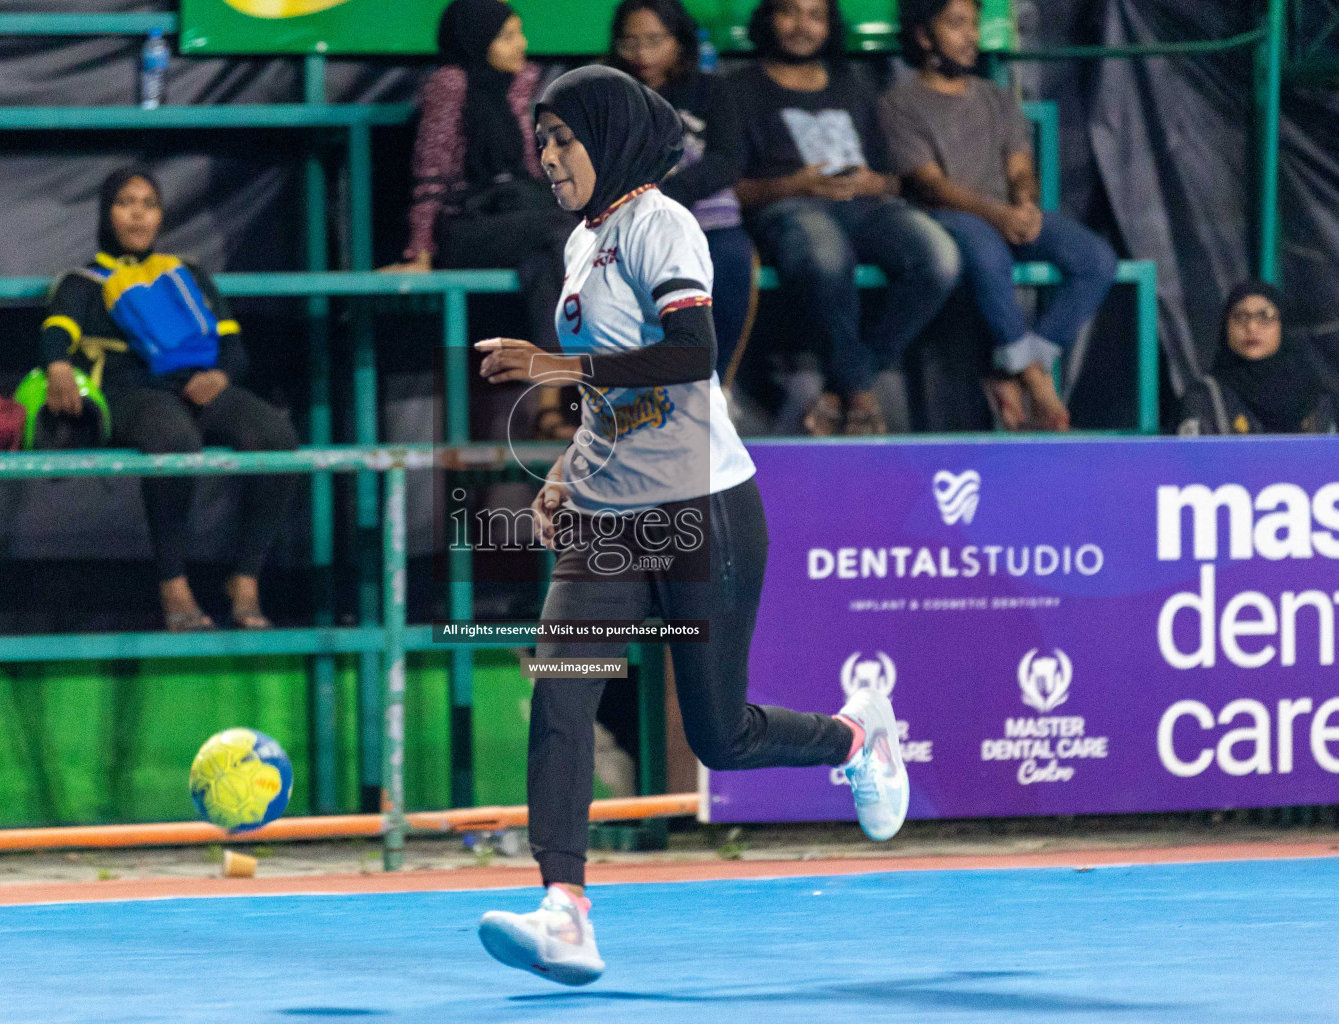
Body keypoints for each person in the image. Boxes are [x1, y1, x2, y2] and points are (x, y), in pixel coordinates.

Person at [469, 65, 909, 986]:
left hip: (703, 508)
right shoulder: (581, 246)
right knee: (562, 696)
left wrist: (550, 365)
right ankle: (566, 910)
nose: (546, 157)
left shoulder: (660, 224)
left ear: (614, 136)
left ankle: (856, 737)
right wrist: (569, 472)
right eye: (540, 141)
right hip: (608, 515)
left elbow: (690, 354)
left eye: (563, 140)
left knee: (721, 736)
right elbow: (617, 397)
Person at [41, 167, 298, 632]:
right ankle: (172, 584)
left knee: (275, 436)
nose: (138, 215)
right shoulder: (84, 282)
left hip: (198, 386)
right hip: (130, 392)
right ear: (106, 213)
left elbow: (235, 350)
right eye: (125, 203)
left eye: (149, 204)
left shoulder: (187, 276)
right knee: (175, 440)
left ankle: (245, 579)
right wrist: (58, 367)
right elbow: (55, 338)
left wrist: (220, 377)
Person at [879, 0, 1118, 432]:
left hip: (1004, 211)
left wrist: (1024, 204)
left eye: (973, 24)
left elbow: (1019, 166)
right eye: (955, 24)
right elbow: (931, 185)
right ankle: (1033, 378)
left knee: (1096, 259)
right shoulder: (901, 103)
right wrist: (999, 215)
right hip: (946, 215)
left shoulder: (996, 97)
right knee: (989, 254)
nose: (970, 35)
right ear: (923, 35)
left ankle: (1016, 369)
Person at [731, 0, 960, 435]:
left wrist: (876, 183)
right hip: (791, 208)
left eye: (815, 15)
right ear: (769, 19)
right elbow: (732, 191)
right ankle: (860, 393)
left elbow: (894, 180)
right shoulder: (739, 90)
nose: (803, 26)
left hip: (866, 208)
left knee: (938, 257)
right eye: (790, 13)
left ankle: (846, 386)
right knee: (825, 256)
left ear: (829, 25)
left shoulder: (852, 85)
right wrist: (796, 186)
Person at [385, 0, 581, 437]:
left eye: (520, 33)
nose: (522, 45)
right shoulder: (451, 84)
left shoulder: (517, 85)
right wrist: (419, 251)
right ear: (478, 39)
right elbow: (431, 170)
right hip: (463, 227)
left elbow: (529, 168)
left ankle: (551, 407)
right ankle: (563, 387)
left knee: (551, 256)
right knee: (558, 231)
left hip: (517, 221)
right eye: (508, 36)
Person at [608, 0, 756, 389]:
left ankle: (712, 388)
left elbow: (728, 159)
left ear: (679, 41)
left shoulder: (711, 90)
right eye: (629, 42)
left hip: (708, 219)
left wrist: (671, 191)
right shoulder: (607, 94)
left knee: (731, 262)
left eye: (654, 41)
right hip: (634, 224)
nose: (641, 54)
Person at [1178, 282, 1336, 435]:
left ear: (1284, 326)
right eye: (1240, 317)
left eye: (1265, 316)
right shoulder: (1205, 399)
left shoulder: (1315, 395)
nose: (1251, 327)